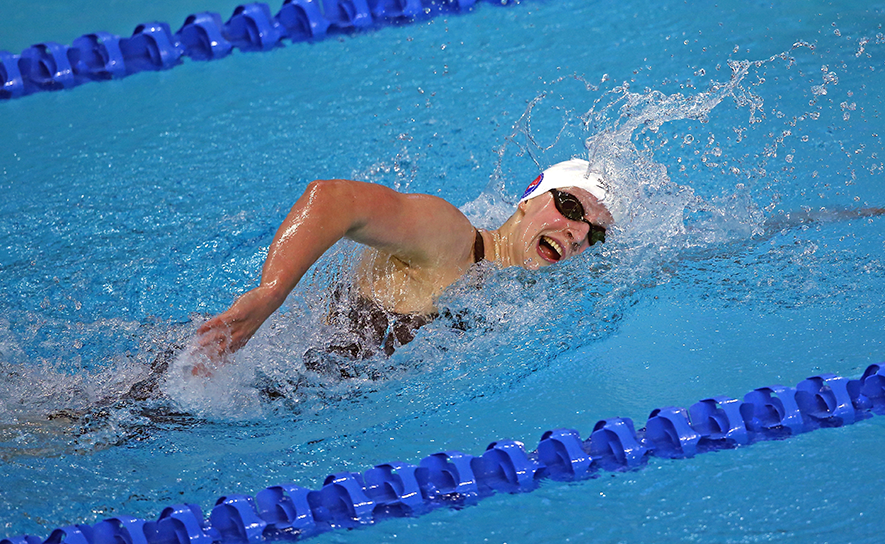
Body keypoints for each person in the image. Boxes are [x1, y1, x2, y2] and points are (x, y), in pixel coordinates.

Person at [194, 159, 617, 365]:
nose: (578, 233)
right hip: (231, 373)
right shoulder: (450, 238)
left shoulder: (511, 293)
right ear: (529, 199)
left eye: (593, 234)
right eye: (571, 207)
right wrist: (272, 293)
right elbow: (332, 199)